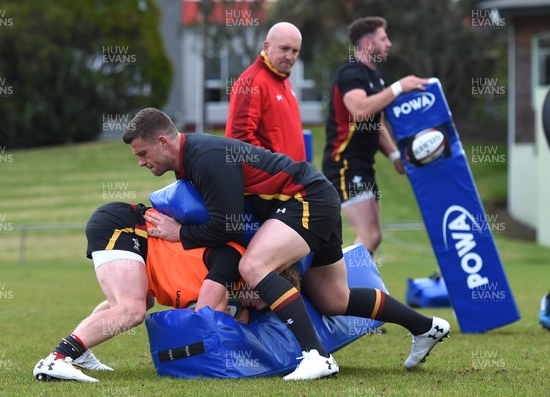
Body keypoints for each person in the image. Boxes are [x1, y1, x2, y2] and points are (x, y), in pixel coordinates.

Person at [123, 107, 450, 380]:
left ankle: (317, 357)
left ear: (163, 141)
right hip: (315, 197)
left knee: (253, 266)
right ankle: (425, 326)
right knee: (334, 298)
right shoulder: (190, 161)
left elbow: (227, 224)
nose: (140, 161)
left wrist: (179, 233)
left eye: (142, 153)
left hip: (305, 199)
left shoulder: (204, 157)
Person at [33, 202, 250, 382]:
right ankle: (57, 358)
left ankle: (79, 352)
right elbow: (204, 320)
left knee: (139, 303)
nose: (264, 307)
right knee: (132, 310)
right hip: (125, 227)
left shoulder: (237, 287)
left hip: (140, 242)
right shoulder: (233, 261)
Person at [322, 16, 431, 254]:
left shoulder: (376, 76)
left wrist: (395, 157)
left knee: (374, 238)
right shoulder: (351, 72)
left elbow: (376, 122)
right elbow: (360, 110)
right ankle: (337, 288)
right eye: (383, 39)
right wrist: (399, 87)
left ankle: (354, 289)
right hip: (344, 165)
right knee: (369, 236)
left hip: (363, 165)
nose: (389, 43)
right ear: (368, 44)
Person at [225, 22, 306, 162]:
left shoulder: (282, 78)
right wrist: (277, 170)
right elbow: (239, 140)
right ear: (266, 47)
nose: (289, 56)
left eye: (295, 51)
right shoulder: (251, 82)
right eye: (284, 48)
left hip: (293, 179)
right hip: (276, 181)